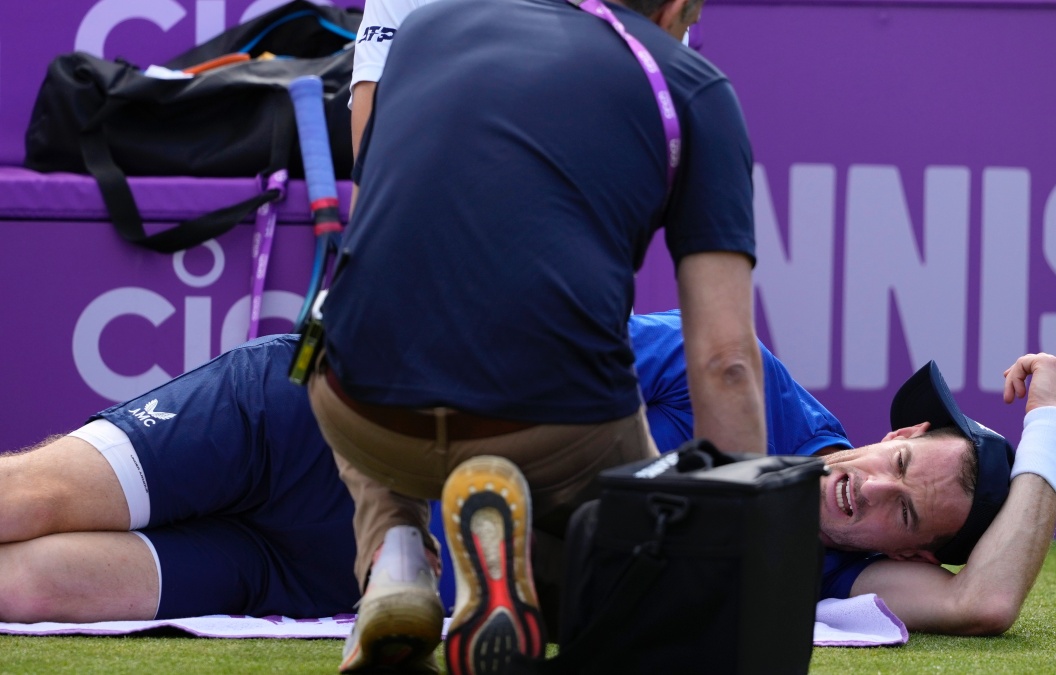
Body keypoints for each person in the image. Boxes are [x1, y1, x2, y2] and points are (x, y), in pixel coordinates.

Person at [0, 313, 1056, 643]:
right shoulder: (744, 383)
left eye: (899, 507)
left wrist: (1052, 427)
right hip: (307, 414)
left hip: (321, 564)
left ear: (902, 549)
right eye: (894, 458)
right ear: (891, 428)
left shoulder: (820, 579)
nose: (870, 486)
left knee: (32, 589)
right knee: (31, 500)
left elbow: (985, 599)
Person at [315, 0, 764, 671]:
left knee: (368, 328)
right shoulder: (693, 83)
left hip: (362, 413)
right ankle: (508, 575)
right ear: (673, 10)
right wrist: (733, 568)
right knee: (633, 554)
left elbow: (386, 217)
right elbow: (725, 360)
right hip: (553, 432)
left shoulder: (428, 28)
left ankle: (397, 556)